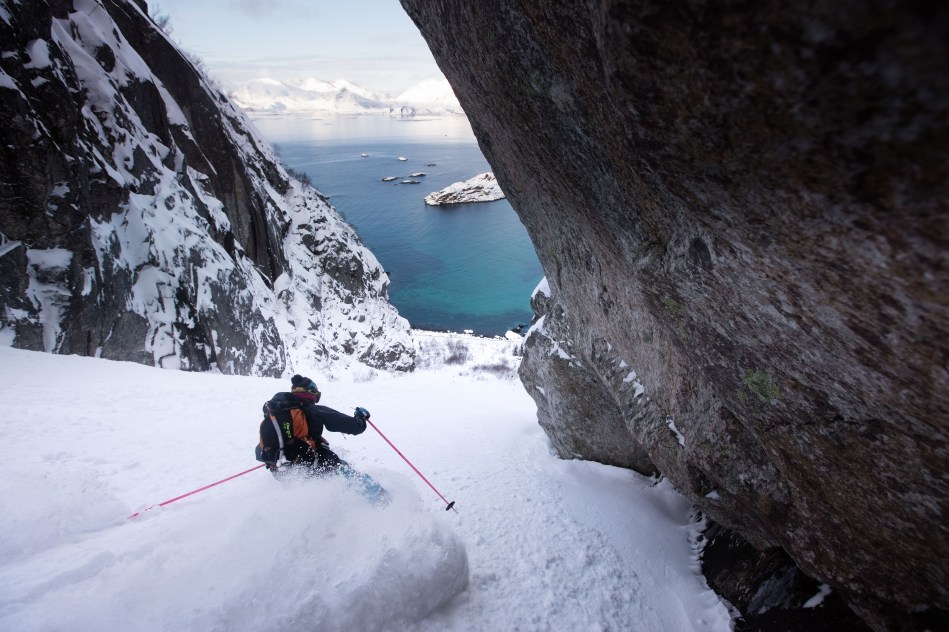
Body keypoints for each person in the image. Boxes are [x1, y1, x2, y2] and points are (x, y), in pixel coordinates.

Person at [256, 375, 387, 502]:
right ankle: (380, 498)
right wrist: (361, 417)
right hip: (310, 464)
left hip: (280, 470)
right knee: (344, 470)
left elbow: (259, 451)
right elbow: (355, 427)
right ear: (311, 393)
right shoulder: (313, 410)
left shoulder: (273, 416)